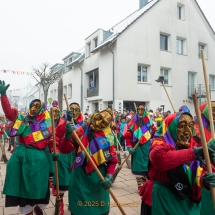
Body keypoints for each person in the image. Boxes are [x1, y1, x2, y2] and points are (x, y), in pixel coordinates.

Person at [0, 80, 59, 215]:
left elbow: (51, 142)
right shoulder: (21, 118)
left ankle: (36, 208)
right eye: (32, 105)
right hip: (21, 159)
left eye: (37, 105)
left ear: (42, 109)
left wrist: (55, 152)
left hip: (39, 162)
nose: (34, 107)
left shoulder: (47, 123)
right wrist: (3, 95)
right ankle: (28, 211)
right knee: (23, 190)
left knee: (38, 189)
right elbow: (9, 112)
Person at [139, 111, 215, 215]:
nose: (187, 131)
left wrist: (204, 179)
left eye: (190, 126)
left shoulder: (194, 145)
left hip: (186, 205)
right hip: (162, 201)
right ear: (170, 127)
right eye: (182, 126)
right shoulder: (159, 143)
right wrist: (192, 153)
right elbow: (160, 160)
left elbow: (197, 173)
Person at [58, 109, 117, 215]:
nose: (98, 123)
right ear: (95, 116)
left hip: (98, 180)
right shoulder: (80, 131)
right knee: (79, 210)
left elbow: (112, 161)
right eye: (99, 118)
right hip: (79, 177)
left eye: (103, 122)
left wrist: (109, 176)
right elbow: (64, 150)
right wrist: (67, 136)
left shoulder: (108, 137)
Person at [53, 102, 84, 215]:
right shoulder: (63, 122)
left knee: (75, 183)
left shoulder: (83, 123)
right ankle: (59, 204)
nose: (75, 112)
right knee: (62, 181)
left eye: (77, 109)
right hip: (64, 154)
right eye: (72, 109)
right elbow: (58, 134)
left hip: (78, 156)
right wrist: (66, 122)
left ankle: (72, 204)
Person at [124, 104, 156, 190]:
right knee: (138, 167)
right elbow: (127, 135)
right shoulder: (133, 122)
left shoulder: (149, 122)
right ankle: (139, 186)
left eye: (142, 110)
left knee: (146, 167)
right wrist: (129, 146)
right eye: (139, 109)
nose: (140, 111)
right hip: (137, 147)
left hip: (147, 148)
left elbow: (155, 133)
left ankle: (145, 184)